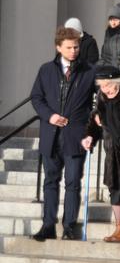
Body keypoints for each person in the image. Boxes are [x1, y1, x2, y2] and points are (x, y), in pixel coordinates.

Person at [30, 26, 96, 241]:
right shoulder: (46, 70)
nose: (74, 51)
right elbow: (37, 97)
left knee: (73, 182)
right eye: (69, 47)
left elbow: (97, 102)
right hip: (50, 135)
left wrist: (91, 130)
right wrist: (50, 116)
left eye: (76, 47)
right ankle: (48, 224)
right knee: (50, 181)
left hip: (76, 135)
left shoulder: (88, 71)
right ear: (58, 48)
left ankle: (69, 226)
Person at [81, 66, 120, 243]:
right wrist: (89, 136)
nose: (106, 89)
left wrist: (114, 124)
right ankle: (119, 227)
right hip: (112, 150)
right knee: (115, 188)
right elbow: (95, 120)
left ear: (119, 82)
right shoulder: (102, 97)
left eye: (109, 85)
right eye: (102, 86)